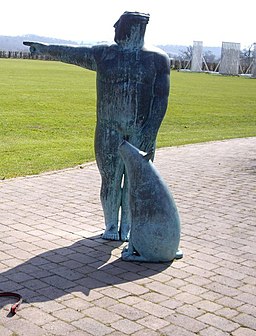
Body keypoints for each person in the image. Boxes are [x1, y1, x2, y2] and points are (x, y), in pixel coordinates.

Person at [24, 11, 170, 241]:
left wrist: (150, 132)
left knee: (135, 181)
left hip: (141, 131)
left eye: (118, 24)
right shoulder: (104, 54)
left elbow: (160, 99)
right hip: (108, 128)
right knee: (110, 180)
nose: (114, 28)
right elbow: (71, 53)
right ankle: (112, 226)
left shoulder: (156, 59)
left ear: (133, 27)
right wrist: (44, 48)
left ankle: (128, 227)